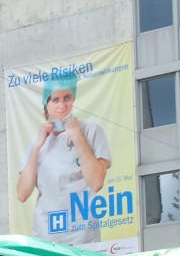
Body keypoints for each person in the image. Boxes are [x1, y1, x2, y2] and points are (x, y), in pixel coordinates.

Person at [15, 72, 112, 246]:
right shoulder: (36, 143)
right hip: (46, 236)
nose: (62, 105)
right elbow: (22, 194)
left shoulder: (91, 131)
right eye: (55, 99)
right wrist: (37, 146)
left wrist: (75, 134)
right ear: (46, 102)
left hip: (83, 236)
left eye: (67, 97)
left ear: (73, 99)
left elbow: (96, 182)